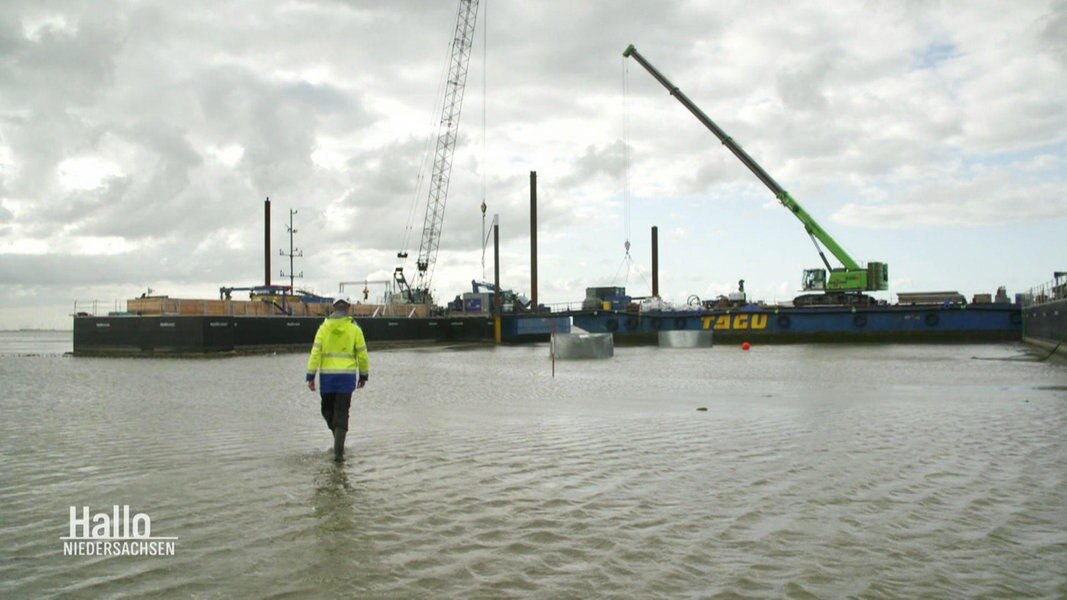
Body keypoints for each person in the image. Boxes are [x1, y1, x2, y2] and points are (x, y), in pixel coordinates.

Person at [306, 297, 369, 461]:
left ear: (333, 308)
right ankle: (339, 448)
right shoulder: (355, 329)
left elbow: (315, 353)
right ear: (348, 309)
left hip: (328, 377)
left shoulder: (323, 328)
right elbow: (362, 354)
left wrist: (310, 375)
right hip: (346, 378)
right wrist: (363, 375)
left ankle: (338, 450)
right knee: (341, 413)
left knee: (327, 411)